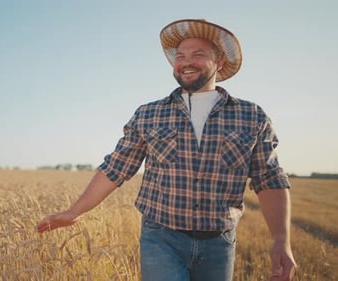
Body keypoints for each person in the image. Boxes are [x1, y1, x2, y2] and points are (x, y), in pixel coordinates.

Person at [36, 19, 296, 281]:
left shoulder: (251, 116)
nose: (186, 61)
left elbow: (269, 179)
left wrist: (281, 240)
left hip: (219, 242)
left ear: (219, 63)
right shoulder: (149, 114)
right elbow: (115, 168)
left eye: (198, 54)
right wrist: (74, 211)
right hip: (161, 238)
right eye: (180, 56)